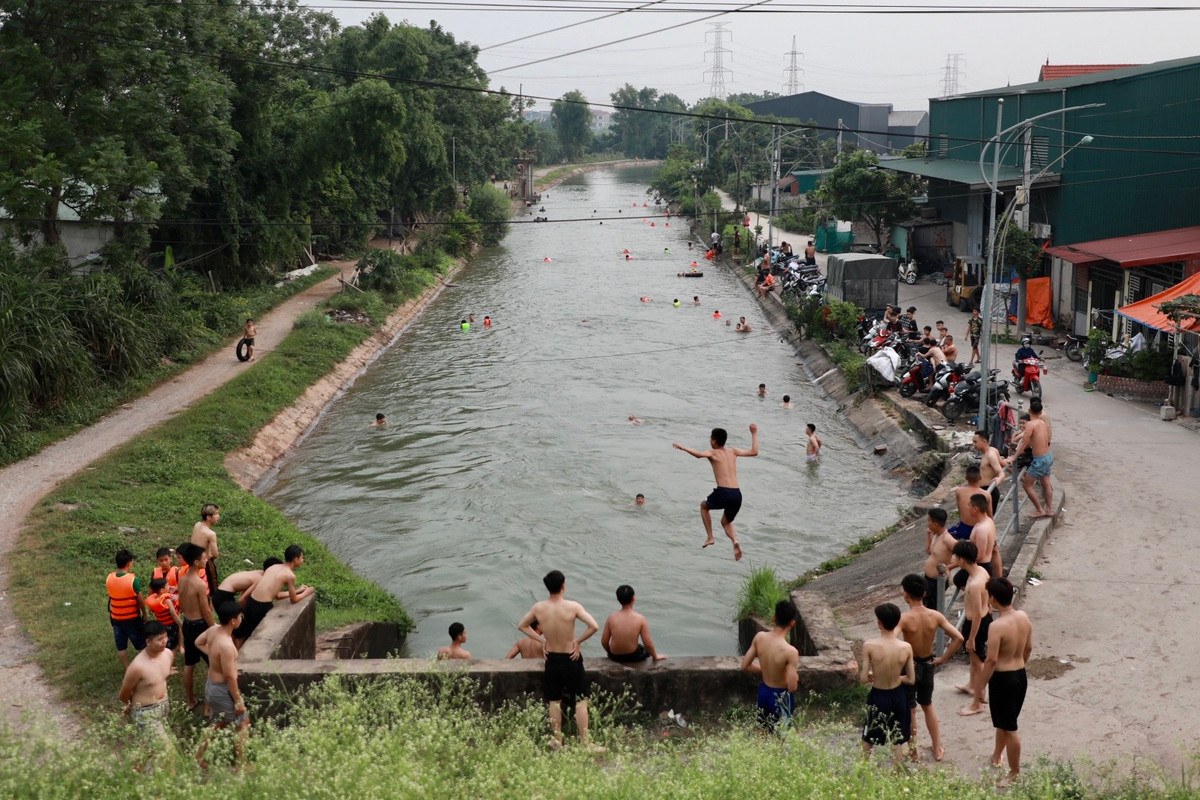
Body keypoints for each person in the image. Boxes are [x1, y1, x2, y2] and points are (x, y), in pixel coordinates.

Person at [516, 571, 605, 751]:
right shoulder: (572, 607)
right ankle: (585, 743)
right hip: (571, 658)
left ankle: (557, 741)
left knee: (554, 701)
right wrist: (578, 642)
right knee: (580, 701)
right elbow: (594, 626)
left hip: (551, 658)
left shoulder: (539, 608)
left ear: (547, 588)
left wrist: (542, 641)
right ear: (563, 585)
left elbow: (522, 625)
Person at [898, 574, 964, 762]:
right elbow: (958, 637)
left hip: (909, 665)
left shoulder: (903, 619)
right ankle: (936, 748)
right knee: (927, 705)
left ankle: (913, 751)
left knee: (911, 710)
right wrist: (943, 657)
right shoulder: (935, 616)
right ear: (925, 593)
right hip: (928, 664)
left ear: (906, 595)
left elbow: (892, 639)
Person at [672, 424, 758, 561]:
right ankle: (735, 540)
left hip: (724, 492)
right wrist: (754, 433)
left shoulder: (713, 453)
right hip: (737, 494)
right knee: (725, 522)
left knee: (704, 506)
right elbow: (754, 452)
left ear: (714, 441)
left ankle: (710, 537)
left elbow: (699, 455)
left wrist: (682, 447)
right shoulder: (733, 451)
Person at [980, 577, 1033, 784]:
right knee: (1004, 721)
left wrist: (980, 686)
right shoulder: (1023, 616)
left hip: (1003, 679)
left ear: (992, 598)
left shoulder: (997, 625)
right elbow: (1028, 648)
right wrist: (1020, 663)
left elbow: (991, 660)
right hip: (1020, 674)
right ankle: (996, 755)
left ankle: (1015, 773)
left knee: (1010, 727)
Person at [195, 601, 250, 770]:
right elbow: (230, 677)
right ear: (233, 621)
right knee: (243, 723)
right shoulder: (227, 646)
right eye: (240, 616)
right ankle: (242, 765)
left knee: (218, 723)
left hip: (211, 686)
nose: (241, 619)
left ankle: (198, 757)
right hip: (221, 689)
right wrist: (238, 700)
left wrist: (213, 656)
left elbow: (198, 642)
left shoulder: (213, 631)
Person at [859, 603, 916, 764]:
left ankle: (862, 769)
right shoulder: (906, 647)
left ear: (879, 623)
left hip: (878, 694)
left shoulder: (869, 646)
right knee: (897, 739)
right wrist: (897, 678)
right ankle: (897, 774)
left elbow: (863, 679)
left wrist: (872, 674)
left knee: (868, 736)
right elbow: (911, 679)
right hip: (898, 695)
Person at [233, 545, 314, 648]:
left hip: (250, 604)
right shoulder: (290, 575)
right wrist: (307, 592)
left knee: (249, 636)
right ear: (295, 559)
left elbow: (278, 595)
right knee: (264, 640)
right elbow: (294, 600)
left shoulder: (273, 567)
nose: (303, 560)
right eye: (301, 557)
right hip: (261, 607)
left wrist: (298, 591)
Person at [740, 599, 799, 732]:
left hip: (764, 691)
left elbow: (744, 666)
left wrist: (766, 670)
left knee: (762, 731)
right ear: (792, 623)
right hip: (780, 695)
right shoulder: (790, 652)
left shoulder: (759, 637)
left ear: (774, 618)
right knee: (781, 734)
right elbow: (792, 686)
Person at [118, 620, 176, 755]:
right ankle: (171, 775)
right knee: (168, 752)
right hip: (146, 711)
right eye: (160, 639)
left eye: (165, 637)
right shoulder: (137, 667)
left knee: (148, 748)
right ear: (148, 642)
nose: (164, 641)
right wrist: (130, 706)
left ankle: (134, 771)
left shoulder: (168, 654)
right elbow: (123, 694)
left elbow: (159, 676)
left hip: (164, 705)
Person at [951, 540, 992, 716]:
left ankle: (979, 700)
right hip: (985, 618)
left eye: (955, 556)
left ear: (962, 559)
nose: (953, 558)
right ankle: (971, 686)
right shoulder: (981, 571)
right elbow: (989, 596)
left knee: (977, 661)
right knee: (974, 658)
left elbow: (976, 614)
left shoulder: (975, 583)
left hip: (976, 623)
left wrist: (971, 638)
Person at [176, 542, 213, 712]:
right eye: (204, 559)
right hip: (200, 626)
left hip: (187, 624)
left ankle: (190, 701)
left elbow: (182, 605)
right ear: (197, 562)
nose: (206, 561)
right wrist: (214, 628)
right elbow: (206, 610)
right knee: (213, 664)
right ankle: (207, 706)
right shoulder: (199, 584)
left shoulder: (181, 580)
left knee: (189, 665)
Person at [601, 585, 667, 663]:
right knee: (644, 650)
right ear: (633, 598)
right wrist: (655, 656)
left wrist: (610, 652)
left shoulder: (611, 618)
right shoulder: (640, 619)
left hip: (614, 656)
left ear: (618, 599)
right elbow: (647, 643)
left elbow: (604, 641)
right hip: (632, 656)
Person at [107, 549, 147, 670]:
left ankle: (127, 669)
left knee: (121, 646)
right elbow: (140, 600)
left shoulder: (109, 578)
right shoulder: (133, 580)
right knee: (140, 644)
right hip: (132, 618)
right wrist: (144, 614)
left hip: (116, 618)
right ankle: (144, 668)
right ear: (129, 563)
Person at [1020, 404, 1054, 518]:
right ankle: (1049, 509)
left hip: (1040, 460)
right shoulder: (1042, 423)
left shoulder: (1031, 424)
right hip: (1048, 455)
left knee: (1027, 484)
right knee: (1046, 482)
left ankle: (1040, 510)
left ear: (1029, 410)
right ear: (1040, 413)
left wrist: (1014, 456)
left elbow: (1024, 443)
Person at [213, 557, 282, 609]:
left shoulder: (259, 572)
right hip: (223, 596)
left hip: (220, 593)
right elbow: (242, 600)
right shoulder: (260, 579)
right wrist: (244, 614)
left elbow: (244, 593)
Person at [923, 508, 956, 612]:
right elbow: (929, 551)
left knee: (933, 610)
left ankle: (938, 628)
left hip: (937, 582)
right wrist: (928, 535)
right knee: (926, 607)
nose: (927, 523)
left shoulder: (947, 539)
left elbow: (963, 553)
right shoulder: (936, 535)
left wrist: (949, 568)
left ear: (936, 524)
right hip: (928, 580)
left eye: (929, 520)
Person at [974, 429, 1007, 524]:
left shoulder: (990, 455)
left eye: (975, 442)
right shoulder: (993, 450)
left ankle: (991, 538)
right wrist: (1009, 460)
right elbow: (1001, 463)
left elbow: (1001, 472)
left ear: (984, 441)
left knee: (985, 522)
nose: (974, 445)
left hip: (989, 491)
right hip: (984, 491)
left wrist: (998, 480)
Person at [950, 465, 990, 540]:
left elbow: (960, 510)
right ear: (980, 478)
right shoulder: (986, 494)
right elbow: (990, 515)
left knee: (946, 535)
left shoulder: (959, 491)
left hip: (963, 529)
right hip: (980, 528)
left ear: (966, 478)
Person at [146, 577, 183, 655]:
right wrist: (181, 625)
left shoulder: (155, 599)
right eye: (167, 585)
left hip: (161, 626)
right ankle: (169, 665)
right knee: (172, 647)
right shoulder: (167, 600)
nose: (169, 586)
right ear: (162, 590)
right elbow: (173, 614)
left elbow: (151, 610)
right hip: (171, 626)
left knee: (166, 644)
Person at [191, 503, 221, 598]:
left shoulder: (197, 525)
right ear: (208, 517)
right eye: (216, 514)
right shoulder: (210, 534)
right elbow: (215, 554)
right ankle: (211, 605)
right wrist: (209, 557)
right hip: (205, 562)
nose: (218, 516)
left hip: (193, 559)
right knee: (212, 587)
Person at [968, 494, 999, 578]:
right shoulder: (989, 521)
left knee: (958, 580)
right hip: (985, 565)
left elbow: (980, 556)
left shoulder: (981, 529)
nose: (968, 509)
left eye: (969, 506)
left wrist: (964, 560)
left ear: (975, 509)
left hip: (981, 566)